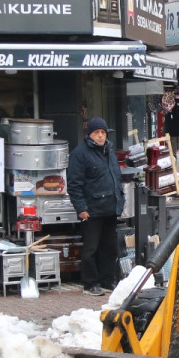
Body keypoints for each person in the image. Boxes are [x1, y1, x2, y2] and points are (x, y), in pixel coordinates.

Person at [67, 117, 125, 296]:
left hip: (110, 207)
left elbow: (115, 176)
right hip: (91, 209)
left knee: (110, 247)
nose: (100, 136)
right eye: (96, 133)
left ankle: (107, 280)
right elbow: (74, 184)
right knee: (90, 248)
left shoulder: (109, 150)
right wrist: (81, 208)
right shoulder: (80, 153)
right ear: (89, 135)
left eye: (103, 132)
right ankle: (90, 283)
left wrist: (120, 200)